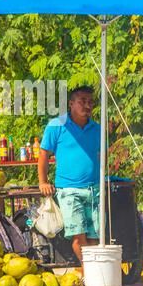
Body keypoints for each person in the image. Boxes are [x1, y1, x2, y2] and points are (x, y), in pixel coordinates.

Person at [38, 85, 101, 270]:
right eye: (82, 101)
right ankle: (91, 271)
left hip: (94, 190)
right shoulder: (57, 125)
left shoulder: (97, 128)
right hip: (69, 190)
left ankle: (91, 271)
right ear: (71, 103)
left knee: (95, 237)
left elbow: (100, 156)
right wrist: (43, 182)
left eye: (90, 102)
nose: (87, 105)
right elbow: (43, 155)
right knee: (78, 236)